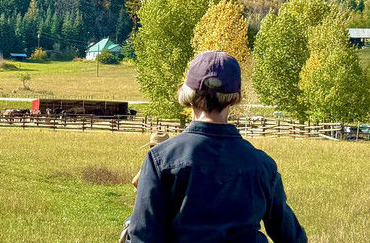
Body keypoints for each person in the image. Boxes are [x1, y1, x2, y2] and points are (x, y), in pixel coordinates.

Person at [128, 51, 307, 243]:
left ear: (188, 93)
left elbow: (143, 236)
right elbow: (292, 238)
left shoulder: (161, 159)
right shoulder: (262, 165)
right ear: (235, 98)